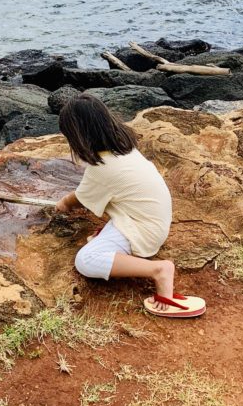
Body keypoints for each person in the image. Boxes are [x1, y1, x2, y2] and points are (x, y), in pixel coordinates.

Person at [54, 94, 205, 318]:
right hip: (150, 220)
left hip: (143, 231)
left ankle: (159, 270)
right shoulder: (124, 149)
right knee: (99, 241)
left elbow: (78, 199)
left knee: (85, 260)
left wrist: (64, 204)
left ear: (78, 138)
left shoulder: (102, 168)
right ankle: (114, 245)